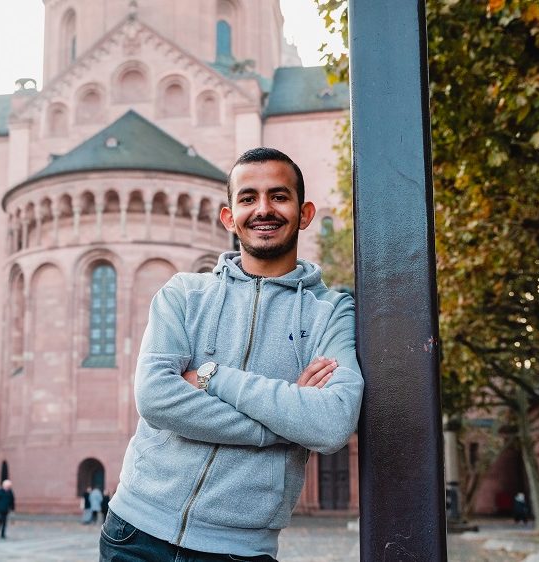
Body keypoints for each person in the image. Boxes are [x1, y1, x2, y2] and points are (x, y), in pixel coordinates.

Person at [101, 147, 364, 561]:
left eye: (279, 196)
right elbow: (155, 398)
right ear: (229, 217)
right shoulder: (184, 294)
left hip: (239, 550)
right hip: (135, 533)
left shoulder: (330, 311)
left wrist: (211, 376)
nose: (263, 209)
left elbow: (331, 423)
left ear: (305, 212)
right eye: (247, 198)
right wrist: (284, 422)